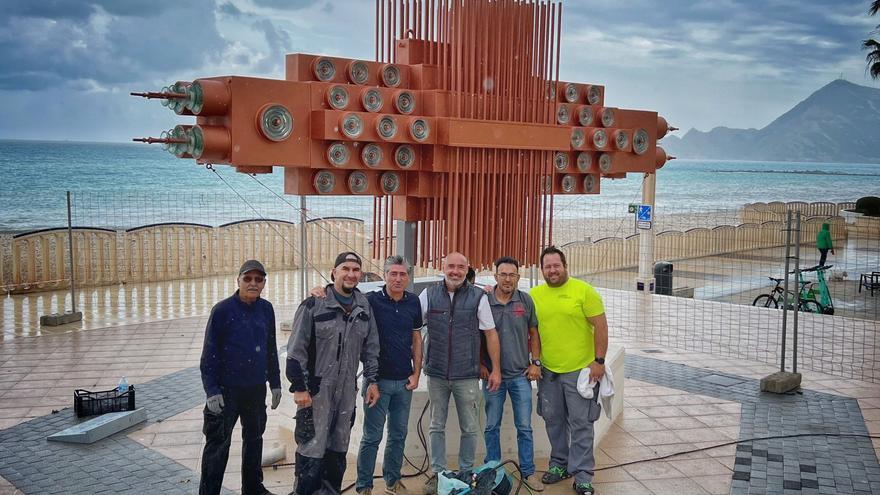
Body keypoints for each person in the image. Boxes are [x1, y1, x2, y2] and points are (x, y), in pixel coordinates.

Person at [286, 252, 381, 494]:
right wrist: (299, 387)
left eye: (356, 270)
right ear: (334, 272)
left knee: (339, 447)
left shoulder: (364, 306)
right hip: (316, 391)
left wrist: (371, 381)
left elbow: (371, 349)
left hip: (347, 391)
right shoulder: (313, 305)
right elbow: (296, 351)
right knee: (311, 448)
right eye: (345, 269)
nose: (351, 274)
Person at [420, 252, 502, 495]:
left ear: (467, 270)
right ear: (442, 267)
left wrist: (495, 369)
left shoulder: (478, 297)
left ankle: (466, 472)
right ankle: (438, 473)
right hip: (436, 373)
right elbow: (412, 327)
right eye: (450, 266)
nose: (455, 271)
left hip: (466, 374)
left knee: (469, 426)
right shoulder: (428, 295)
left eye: (460, 267)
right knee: (436, 425)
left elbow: (490, 334)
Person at [530, 246, 608, 495]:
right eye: (547, 266)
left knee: (581, 423)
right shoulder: (534, 295)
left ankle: (583, 475)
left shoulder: (584, 291)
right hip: (549, 372)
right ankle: (559, 464)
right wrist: (536, 361)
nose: (552, 270)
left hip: (580, 372)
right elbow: (533, 333)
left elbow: (601, 326)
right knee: (552, 421)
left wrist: (599, 361)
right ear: (541, 270)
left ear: (565, 266)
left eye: (556, 265)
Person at [199, 259, 282, 495]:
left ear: (264, 283)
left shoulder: (266, 309)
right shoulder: (222, 311)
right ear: (238, 281)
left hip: (255, 391)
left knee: (254, 440)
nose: (253, 283)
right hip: (226, 392)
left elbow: (271, 349)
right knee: (217, 446)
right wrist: (212, 391)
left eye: (258, 279)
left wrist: (275, 383)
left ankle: (253, 488)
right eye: (248, 279)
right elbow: (209, 355)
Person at [480, 256, 542, 483]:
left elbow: (534, 333)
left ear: (518, 277)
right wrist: (480, 365)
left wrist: (535, 363)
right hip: (492, 377)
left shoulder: (525, 301)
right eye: (503, 274)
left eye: (512, 275)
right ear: (495, 276)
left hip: (519, 376)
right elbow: (476, 336)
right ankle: (493, 471)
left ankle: (528, 472)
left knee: (524, 427)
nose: (507, 279)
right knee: (491, 426)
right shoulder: (484, 300)